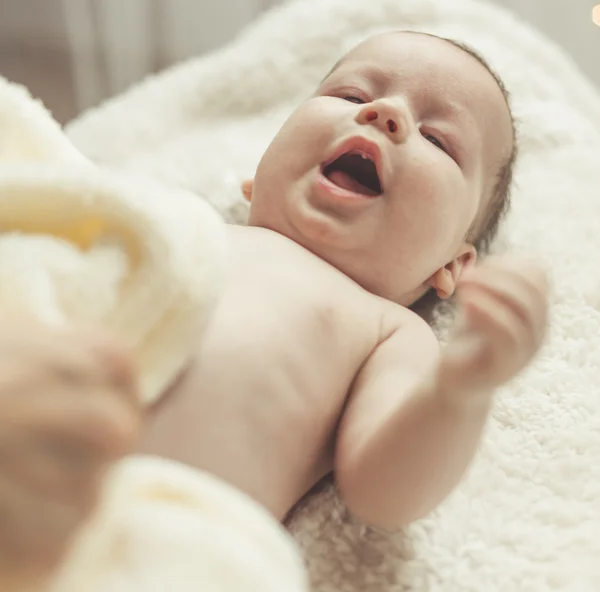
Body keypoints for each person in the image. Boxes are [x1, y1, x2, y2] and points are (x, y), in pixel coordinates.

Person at [0, 31, 548, 581]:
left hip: (139, 528)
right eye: (353, 97)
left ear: (451, 265)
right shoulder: (178, 229)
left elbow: (385, 493)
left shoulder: (389, 329)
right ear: (257, 176)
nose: (385, 114)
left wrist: (461, 391)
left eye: (437, 139)